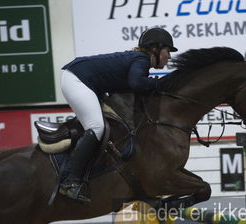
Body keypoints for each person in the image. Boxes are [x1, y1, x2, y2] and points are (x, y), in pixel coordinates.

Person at [59, 27, 178, 203]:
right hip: (77, 78)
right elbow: (137, 83)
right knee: (96, 127)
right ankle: (70, 181)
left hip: (84, 80)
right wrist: (160, 84)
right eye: (167, 51)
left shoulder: (139, 61)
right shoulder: (141, 60)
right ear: (155, 48)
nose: (169, 56)